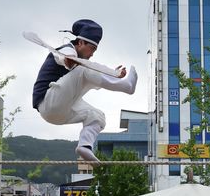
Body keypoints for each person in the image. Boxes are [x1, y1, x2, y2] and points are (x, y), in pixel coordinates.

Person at [31, 19, 138, 163]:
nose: (92, 54)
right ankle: (126, 86)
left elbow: (94, 71)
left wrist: (114, 73)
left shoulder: (79, 63)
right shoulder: (66, 49)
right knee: (83, 69)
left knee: (98, 117)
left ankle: (85, 146)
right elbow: (65, 58)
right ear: (80, 43)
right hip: (48, 101)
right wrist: (69, 60)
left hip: (60, 111)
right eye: (92, 49)